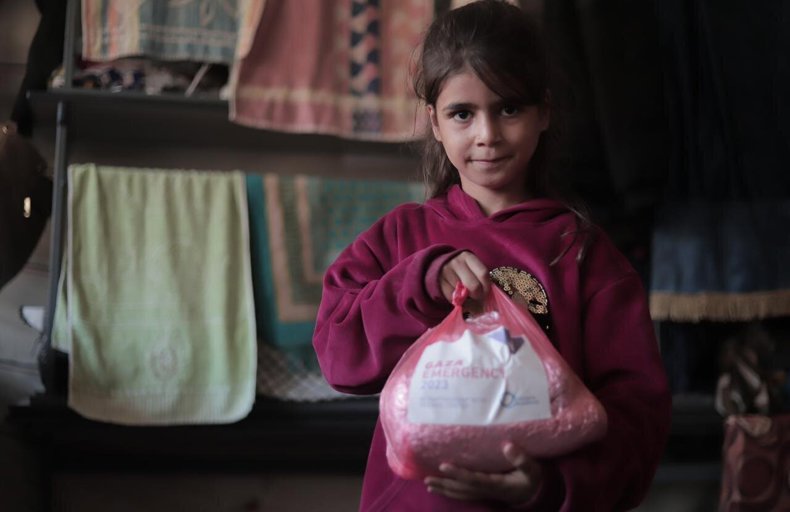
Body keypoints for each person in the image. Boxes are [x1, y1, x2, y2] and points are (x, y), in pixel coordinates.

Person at [312, 1, 672, 510]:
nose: (487, 135)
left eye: (508, 108)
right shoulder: (399, 238)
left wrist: (552, 486)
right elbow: (338, 355)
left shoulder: (585, 258)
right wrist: (417, 284)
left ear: (544, 111)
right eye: (463, 114)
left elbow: (639, 418)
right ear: (434, 122)